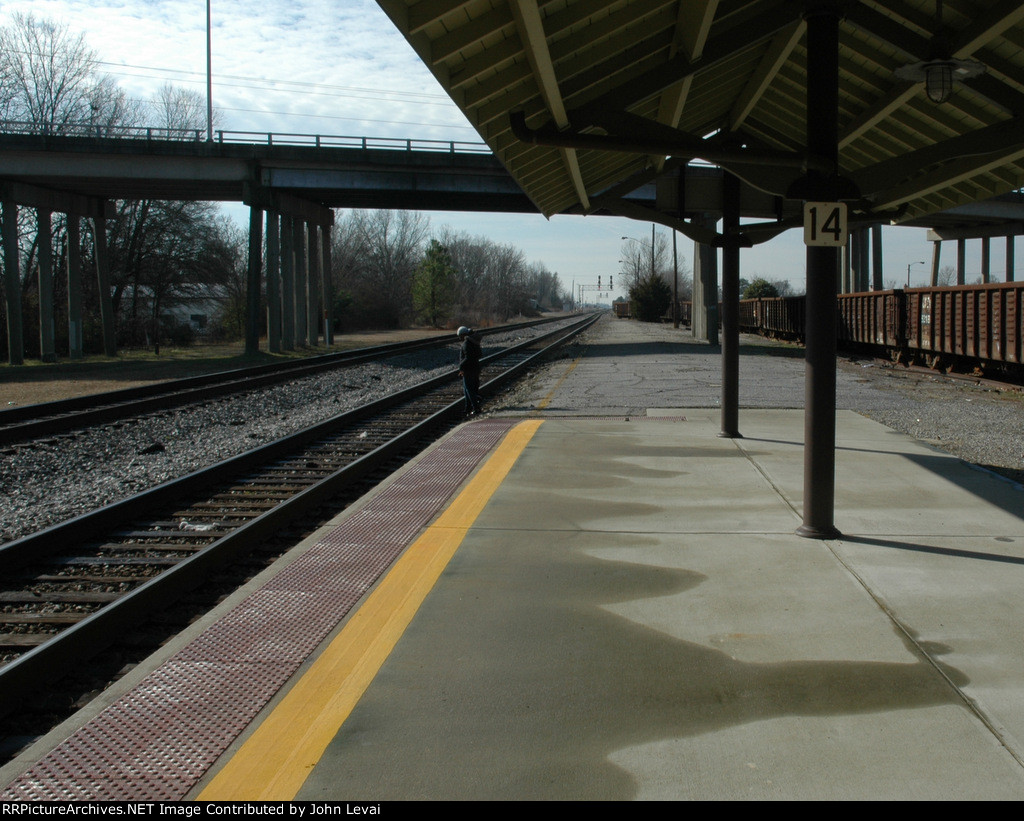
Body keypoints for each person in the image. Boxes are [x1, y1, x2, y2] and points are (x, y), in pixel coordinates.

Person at [457, 326, 483, 415]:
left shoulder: (466, 344)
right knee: (467, 389)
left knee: (468, 389)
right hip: (476, 367)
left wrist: (461, 367)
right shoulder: (474, 342)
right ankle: (468, 408)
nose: (459, 338)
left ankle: (476, 408)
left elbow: (467, 357)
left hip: (468, 369)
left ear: (463, 334)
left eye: (460, 336)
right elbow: (479, 354)